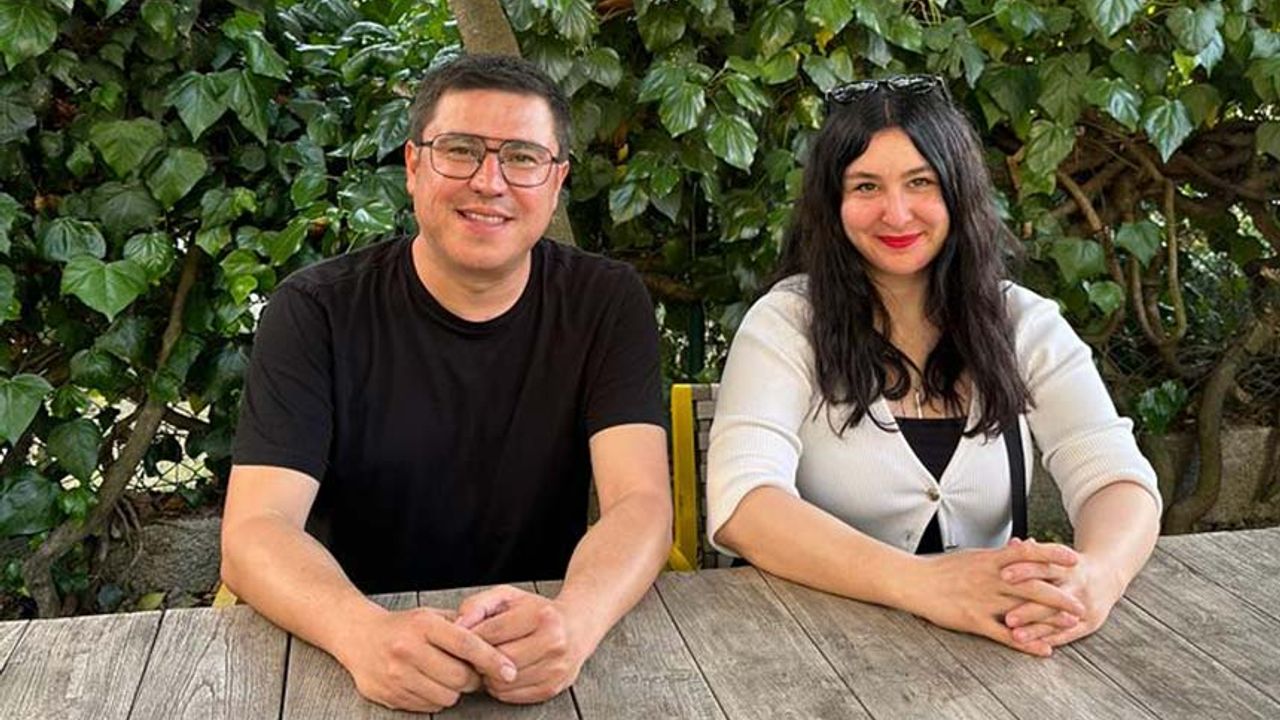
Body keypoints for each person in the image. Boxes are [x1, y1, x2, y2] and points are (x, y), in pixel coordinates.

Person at [220, 54, 672, 712]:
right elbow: (255, 529)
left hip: (538, 640)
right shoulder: (316, 311)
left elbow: (641, 502)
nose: (489, 182)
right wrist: (361, 632)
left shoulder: (605, 302)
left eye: (522, 157)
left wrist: (575, 619)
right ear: (413, 165)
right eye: (460, 150)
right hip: (354, 649)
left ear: (557, 181)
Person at [705, 75, 1162, 658]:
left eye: (920, 182)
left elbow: (1117, 477)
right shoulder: (787, 324)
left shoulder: (1023, 322)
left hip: (991, 655)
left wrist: (1097, 578)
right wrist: (923, 584)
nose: (897, 213)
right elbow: (744, 504)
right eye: (865, 186)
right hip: (812, 652)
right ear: (832, 203)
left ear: (958, 191)